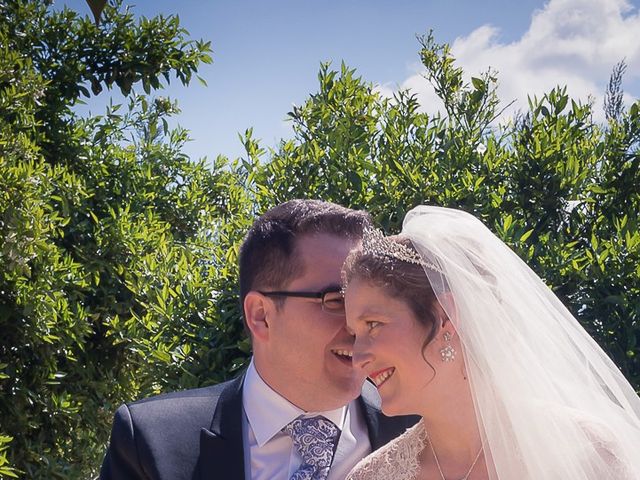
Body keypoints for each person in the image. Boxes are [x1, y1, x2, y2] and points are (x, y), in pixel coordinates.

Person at [100, 199, 417, 480]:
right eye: (336, 300)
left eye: (369, 305)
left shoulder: (421, 431)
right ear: (261, 315)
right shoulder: (151, 442)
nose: (360, 324)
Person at [342, 205, 640, 480]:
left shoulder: (587, 453)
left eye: (373, 325)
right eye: (354, 335)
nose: (358, 357)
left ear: (446, 316)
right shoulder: (372, 476)